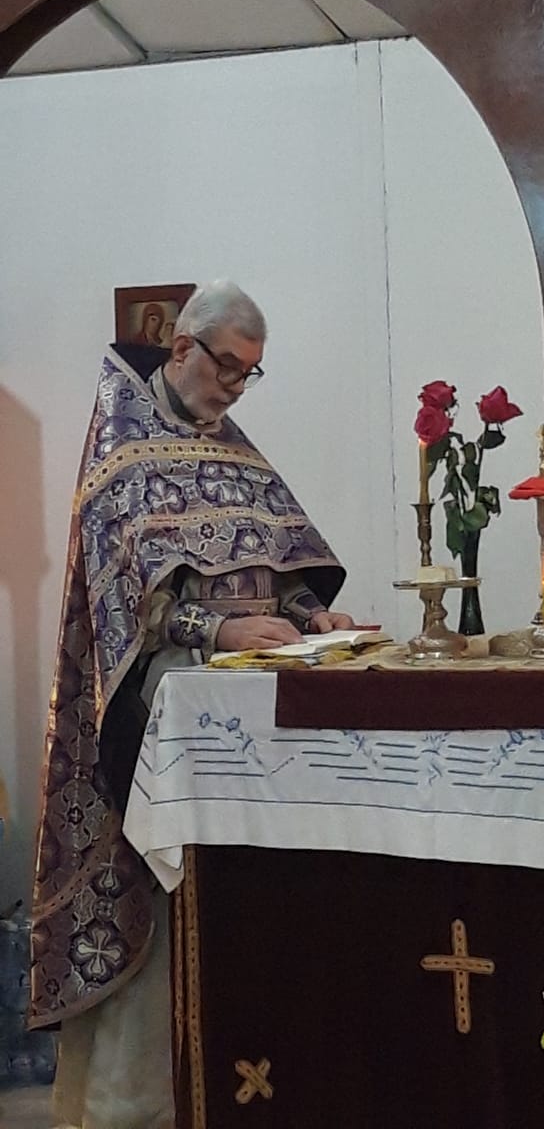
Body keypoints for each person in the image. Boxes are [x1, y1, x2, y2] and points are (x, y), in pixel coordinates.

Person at [30, 281, 353, 1128]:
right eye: (229, 368)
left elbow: (270, 565)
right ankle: (143, 1100)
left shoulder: (233, 450)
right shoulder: (121, 450)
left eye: (251, 374)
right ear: (182, 347)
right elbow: (120, 610)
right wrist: (218, 629)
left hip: (245, 711)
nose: (236, 389)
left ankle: (246, 1077)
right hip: (158, 712)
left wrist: (308, 616)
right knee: (170, 897)